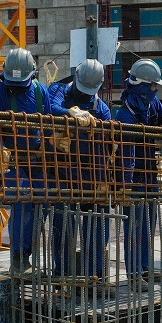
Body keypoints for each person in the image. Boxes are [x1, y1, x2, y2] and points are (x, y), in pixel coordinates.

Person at [0, 47, 53, 275]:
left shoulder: (41, 92)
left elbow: (49, 124)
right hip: (9, 158)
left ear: (32, 74)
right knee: (22, 201)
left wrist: (55, 141)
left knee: (42, 202)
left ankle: (27, 255)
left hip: (36, 156)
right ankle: (18, 260)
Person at [116, 59, 162, 281]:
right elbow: (128, 153)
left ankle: (145, 268)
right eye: (154, 86)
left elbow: (160, 123)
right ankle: (135, 273)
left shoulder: (151, 103)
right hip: (133, 175)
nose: (156, 89)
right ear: (144, 85)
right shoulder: (126, 113)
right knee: (134, 226)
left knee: (149, 222)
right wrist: (126, 185)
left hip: (149, 172)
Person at [48, 59, 112, 279]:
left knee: (96, 224)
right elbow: (50, 107)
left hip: (90, 174)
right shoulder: (59, 91)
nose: (85, 95)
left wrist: (104, 180)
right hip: (62, 172)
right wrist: (70, 113)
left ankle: (94, 275)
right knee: (63, 225)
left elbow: (106, 146)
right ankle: (62, 276)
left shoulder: (101, 109)